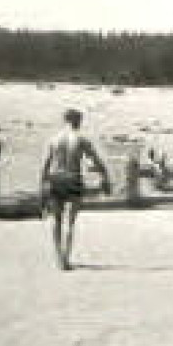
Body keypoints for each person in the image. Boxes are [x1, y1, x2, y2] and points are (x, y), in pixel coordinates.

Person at [40, 109, 111, 271]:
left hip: (55, 179)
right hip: (73, 180)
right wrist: (106, 178)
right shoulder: (81, 140)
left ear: (64, 120)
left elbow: (44, 166)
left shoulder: (53, 140)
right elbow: (97, 161)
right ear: (78, 121)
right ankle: (66, 258)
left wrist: (42, 189)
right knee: (69, 221)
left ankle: (58, 258)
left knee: (56, 220)